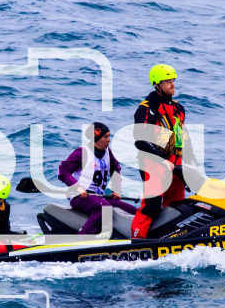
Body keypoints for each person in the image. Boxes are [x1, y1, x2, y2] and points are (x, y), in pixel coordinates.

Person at [131, 64, 194, 239]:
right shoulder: (146, 108)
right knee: (151, 206)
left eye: (173, 80)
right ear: (157, 84)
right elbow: (141, 141)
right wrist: (162, 159)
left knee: (177, 206)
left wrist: (191, 162)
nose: (173, 84)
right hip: (153, 163)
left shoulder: (179, 108)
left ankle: (170, 238)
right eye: (168, 81)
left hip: (176, 164)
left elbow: (184, 138)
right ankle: (136, 240)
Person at [58, 122, 138, 235]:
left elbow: (115, 169)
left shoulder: (107, 152)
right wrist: (78, 188)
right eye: (105, 137)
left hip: (99, 197)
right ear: (96, 138)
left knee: (134, 212)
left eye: (109, 136)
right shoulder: (82, 152)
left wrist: (116, 190)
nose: (109, 140)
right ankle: (83, 237)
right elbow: (62, 171)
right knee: (105, 208)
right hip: (80, 197)